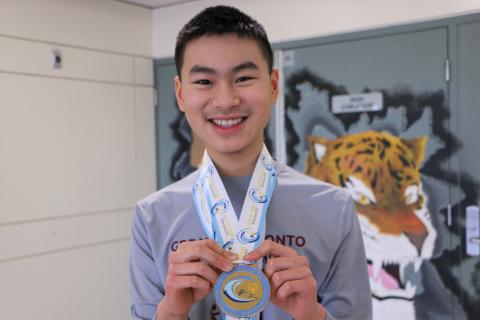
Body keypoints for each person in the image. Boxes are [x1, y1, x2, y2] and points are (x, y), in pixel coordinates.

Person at [130, 5, 372, 320]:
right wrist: (171, 312)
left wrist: (312, 315)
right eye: (204, 81)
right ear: (179, 93)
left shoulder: (333, 207)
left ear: (273, 85)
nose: (226, 100)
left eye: (243, 78)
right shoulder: (153, 217)